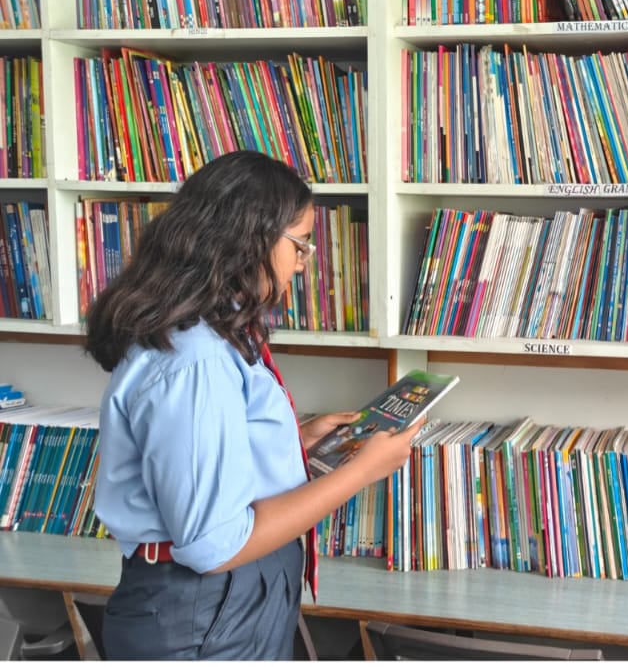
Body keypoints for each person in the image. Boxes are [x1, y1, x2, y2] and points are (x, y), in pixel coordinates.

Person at [84, 151, 421, 660]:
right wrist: (360, 474)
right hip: (205, 607)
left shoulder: (215, 334)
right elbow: (215, 542)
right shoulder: (196, 357)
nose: (302, 265)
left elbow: (209, 460)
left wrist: (293, 440)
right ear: (252, 237)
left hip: (226, 600)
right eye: (300, 244)